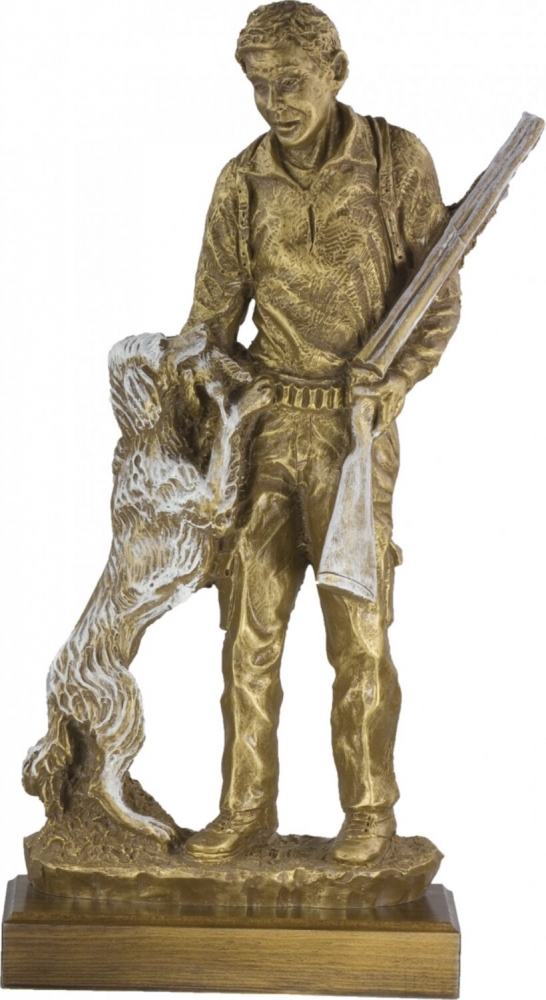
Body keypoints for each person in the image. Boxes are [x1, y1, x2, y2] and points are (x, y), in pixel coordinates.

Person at [181, 1, 461, 864]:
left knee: (359, 637)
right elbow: (210, 321)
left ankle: (370, 813)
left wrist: (397, 381)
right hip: (267, 431)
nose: (277, 102)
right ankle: (244, 810)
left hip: (354, 434)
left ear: (336, 71)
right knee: (248, 638)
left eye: (292, 81)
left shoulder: (395, 159)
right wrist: (198, 383)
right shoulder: (241, 181)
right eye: (260, 85)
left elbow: (438, 294)